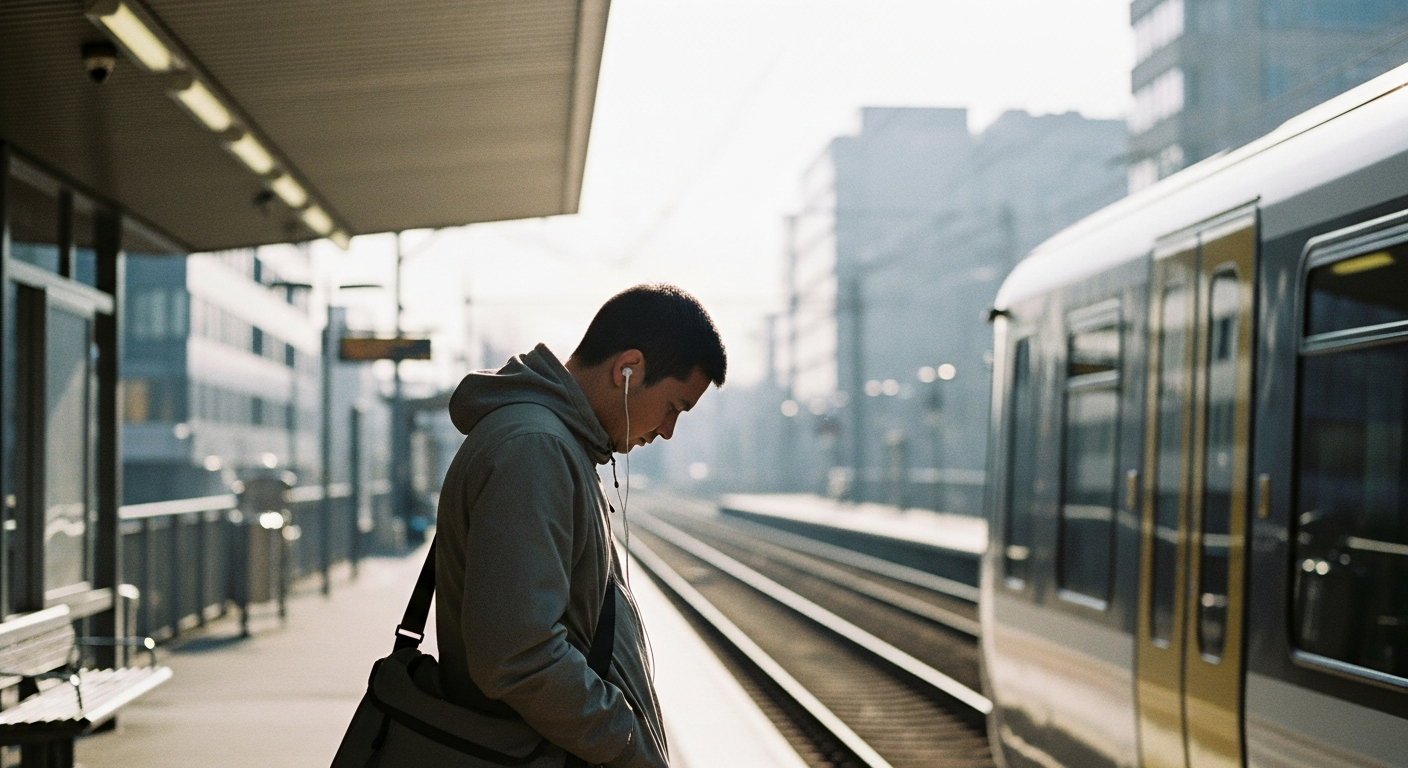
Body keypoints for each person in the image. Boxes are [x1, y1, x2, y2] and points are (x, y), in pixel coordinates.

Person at [435, 283, 727, 768]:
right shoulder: (535, 448)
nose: (667, 431)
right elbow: (518, 655)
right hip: (531, 753)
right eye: (673, 407)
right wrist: (628, 745)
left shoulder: (554, 443)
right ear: (627, 370)